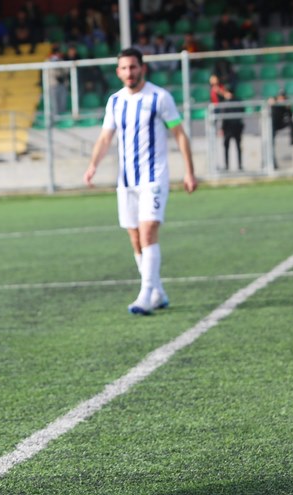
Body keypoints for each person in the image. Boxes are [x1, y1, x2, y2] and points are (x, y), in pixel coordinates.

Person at [84, 48, 197, 315]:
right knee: (135, 237)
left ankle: (145, 294)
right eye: (124, 68)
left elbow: (180, 134)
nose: (129, 73)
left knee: (147, 232)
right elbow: (105, 138)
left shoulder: (160, 97)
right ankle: (157, 291)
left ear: (142, 68)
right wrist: (93, 165)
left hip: (153, 178)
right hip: (126, 180)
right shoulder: (115, 101)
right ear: (118, 72)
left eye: (133, 67)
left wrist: (189, 171)